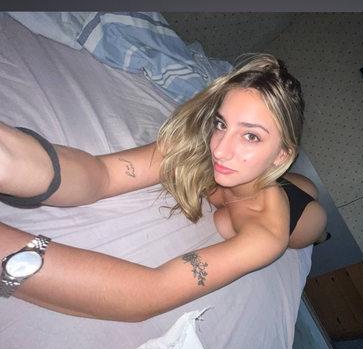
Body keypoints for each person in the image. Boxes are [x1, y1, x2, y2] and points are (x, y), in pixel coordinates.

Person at [0, 55, 328, 322]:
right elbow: (103, 175)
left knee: (313, 219)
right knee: (273, 177)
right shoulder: (206, 147)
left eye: (251, 136)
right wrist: (12, 158)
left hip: (299, 218)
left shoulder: (266, 236)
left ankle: (319, 230)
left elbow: (147, 294)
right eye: (221, 124)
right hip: (263, 177)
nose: (219, 150)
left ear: (282, 154)